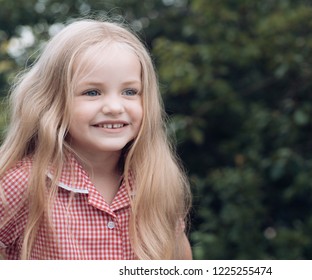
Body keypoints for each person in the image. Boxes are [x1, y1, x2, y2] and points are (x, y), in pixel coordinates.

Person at [0, 19, 192, 260]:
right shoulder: (21, 184)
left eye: (130, 92)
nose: (114, 107)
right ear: (52, 101)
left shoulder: (157, 182)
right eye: (92, 92)